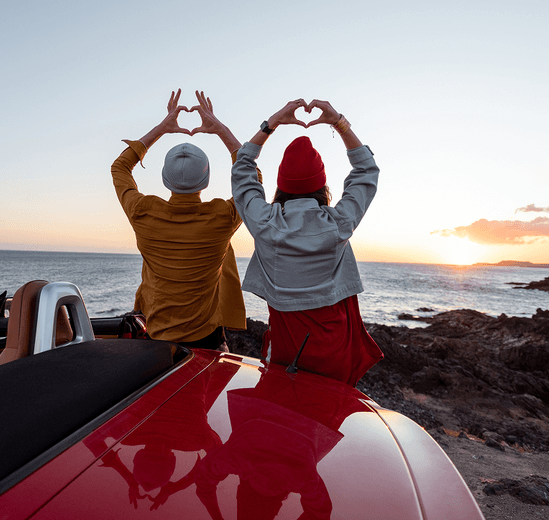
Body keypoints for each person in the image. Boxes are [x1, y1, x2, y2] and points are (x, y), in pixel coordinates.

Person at [230, 98, 382, 386]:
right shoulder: (339, 223)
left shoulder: (264, 223)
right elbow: (366, 171)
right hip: (334, 346)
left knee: (283, 418)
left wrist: (271, 123)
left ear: (281, 187)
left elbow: (243, 168)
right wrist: (340, 123)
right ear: (323, 188)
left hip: (289, 351)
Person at [111, 89, 247, 349]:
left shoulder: (143, 211)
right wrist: (220, 129)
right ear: (206, 181)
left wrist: (161, 128)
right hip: (207, 338)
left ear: (164, 179)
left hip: (156, 337)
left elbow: (119, 167)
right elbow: (250, 177)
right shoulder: (223, 217)